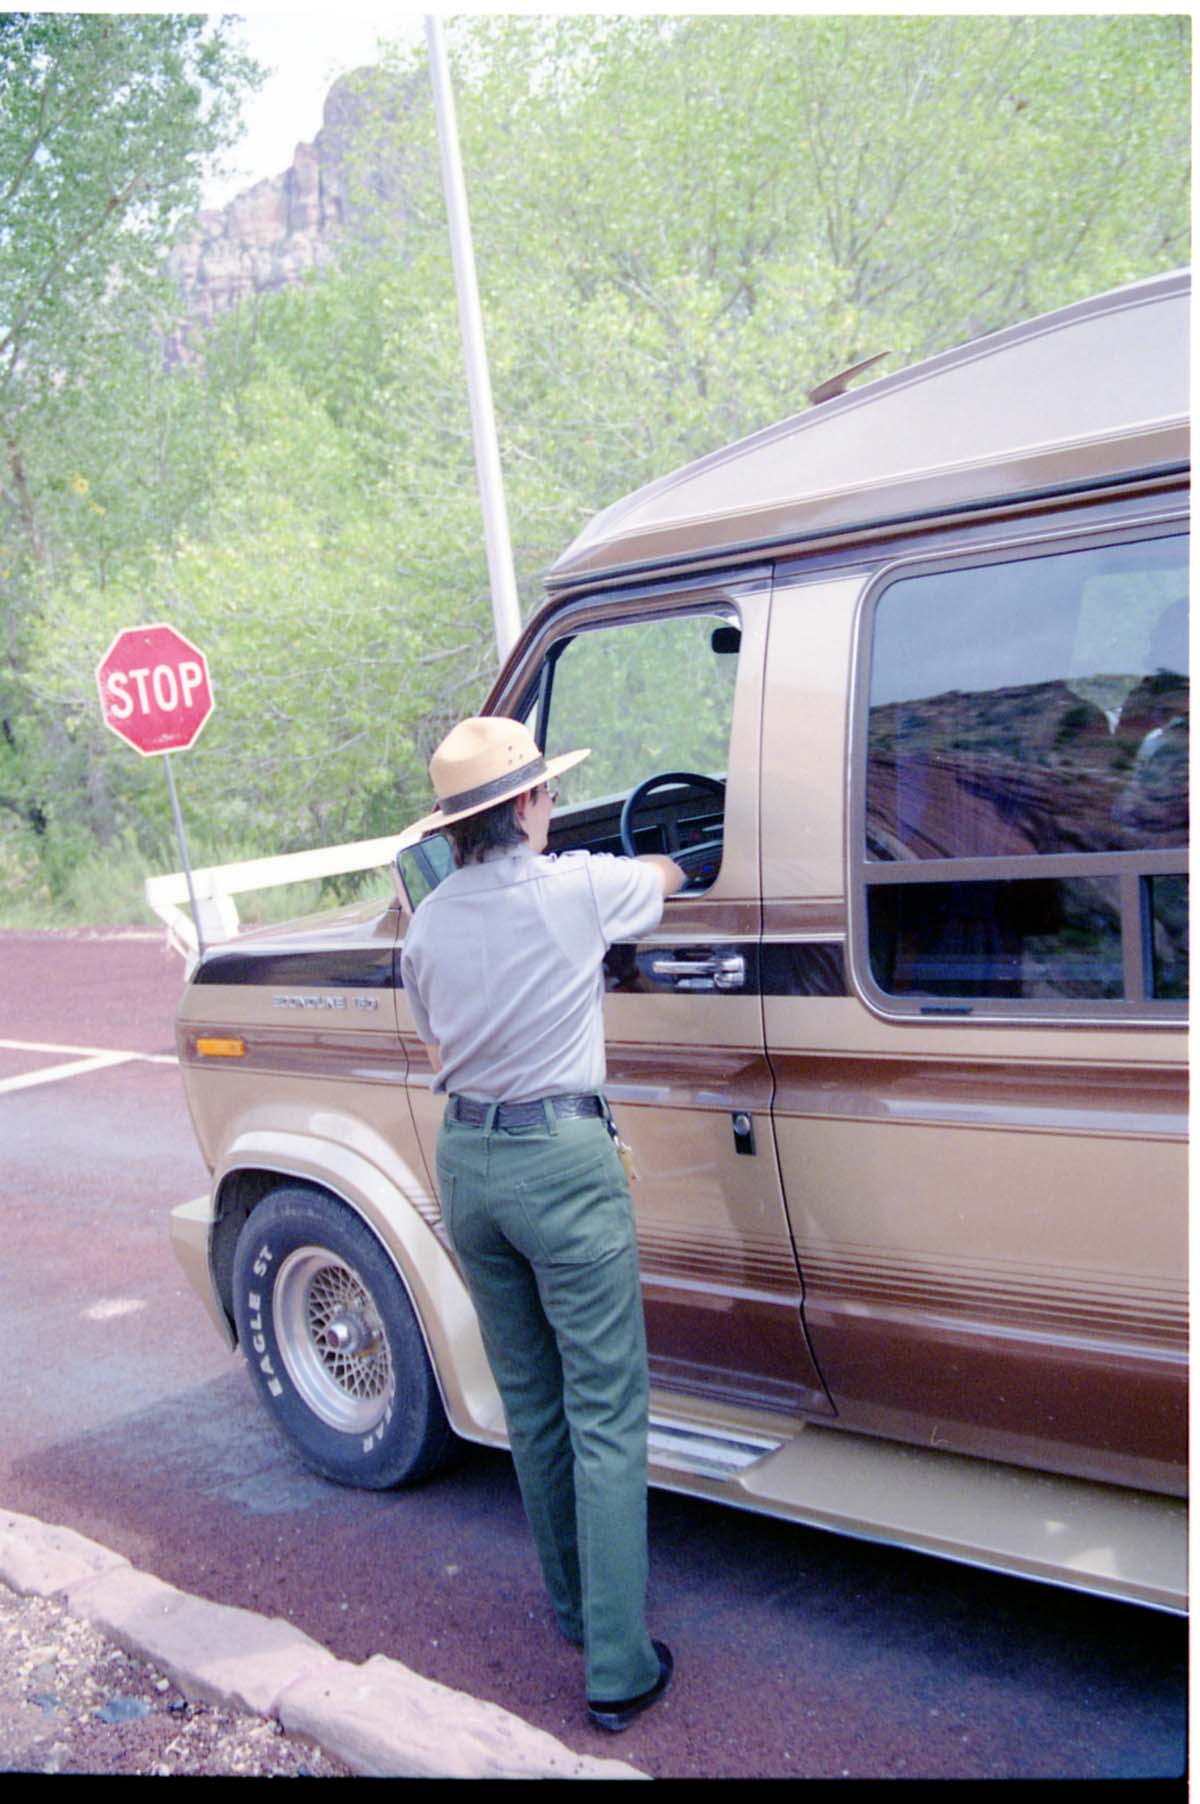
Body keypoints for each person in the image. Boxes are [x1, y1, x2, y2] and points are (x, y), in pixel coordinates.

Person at [398, 715, 684, 1732]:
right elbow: (668, 883)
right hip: (563, 1161)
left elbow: (436, 1026)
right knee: (607, 1406)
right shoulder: (578, 889)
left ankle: (571, 1606)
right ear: (525, 806)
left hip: (468, 1159)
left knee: (532, 1400)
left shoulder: (426, 923)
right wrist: (660, 851)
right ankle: (617, 1664)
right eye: (545, 795)